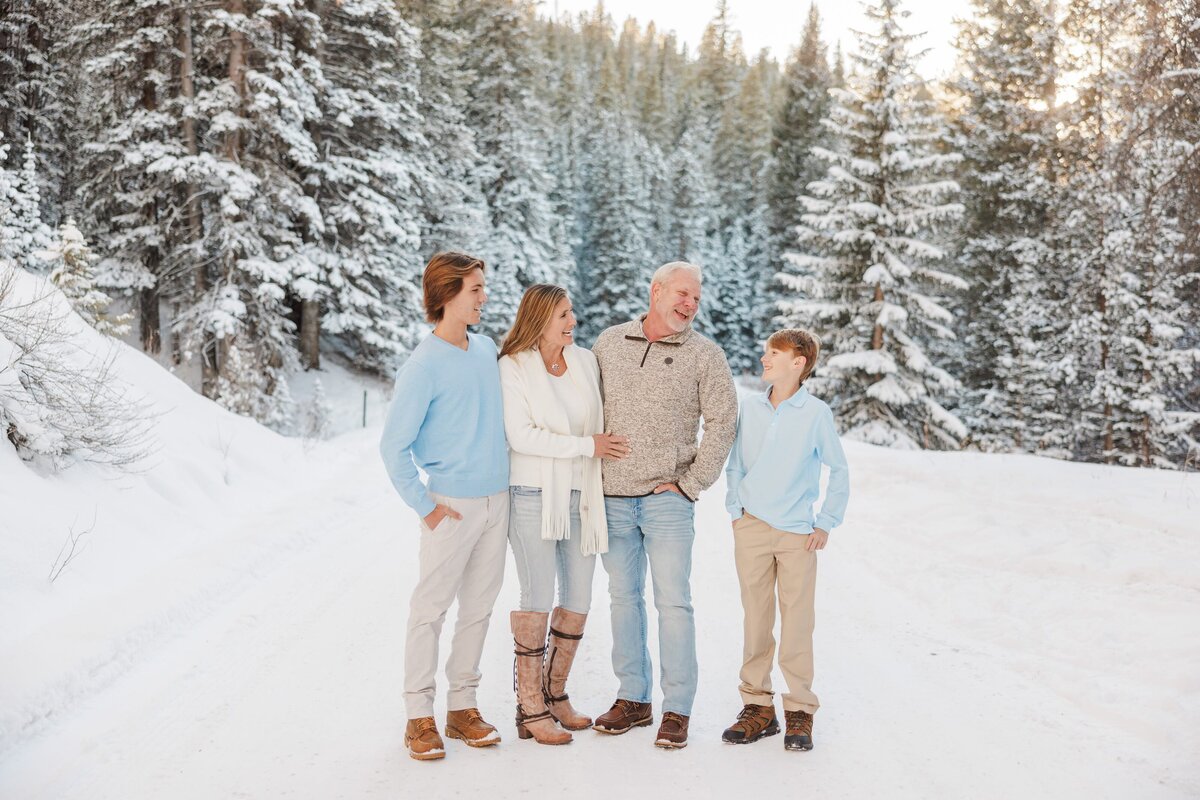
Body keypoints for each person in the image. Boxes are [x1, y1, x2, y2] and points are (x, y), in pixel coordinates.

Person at [590, 261, 738, 749]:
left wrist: (692, 483)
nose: (688, 305)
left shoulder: (704, 355)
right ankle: (633, 698)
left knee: (673, 603)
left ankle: (677, 708)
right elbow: (584, 405)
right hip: (612, 497)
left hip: (667, 500)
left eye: (695, 298)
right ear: (655, 291)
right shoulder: (610, 343)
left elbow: (722, 422)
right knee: (622, 600)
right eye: (681, 294)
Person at [379, 252, 510, 762]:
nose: (483, 296)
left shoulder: (484, 350)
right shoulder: (423, 365)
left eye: (483, 286)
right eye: (475, 289)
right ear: (446, 295)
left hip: (496, 500)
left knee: (478, 610)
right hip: (451, 506)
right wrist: (425, 506)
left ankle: (462, 709)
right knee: (429, 611)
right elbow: (393, 447)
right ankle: (418, 717)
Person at [498, 284, 631, 746]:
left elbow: (602, 417)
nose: (572, 321)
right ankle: (529, 706)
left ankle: (555, 695)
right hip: (534, 492)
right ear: (538, 319)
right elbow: (522, 436)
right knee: (536, 595)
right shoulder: (513, 366)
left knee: (578, 597)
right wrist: (585, 447)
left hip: (583, 495)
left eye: (572, 312)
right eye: (562, 315)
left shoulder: (584, 362)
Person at [721, 329, 850, 752]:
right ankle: (757, 707)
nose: (764, 359)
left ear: (799, 363)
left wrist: (825, 522)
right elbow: (737, 462)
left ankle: (799, 711)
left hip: (797, 533)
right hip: (752, 527)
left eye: (773, 353)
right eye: (765, 352)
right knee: (756, 618)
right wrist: (736, 509)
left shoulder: (815, 413)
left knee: (797, 623)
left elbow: (839, 469)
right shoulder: (751, 408)